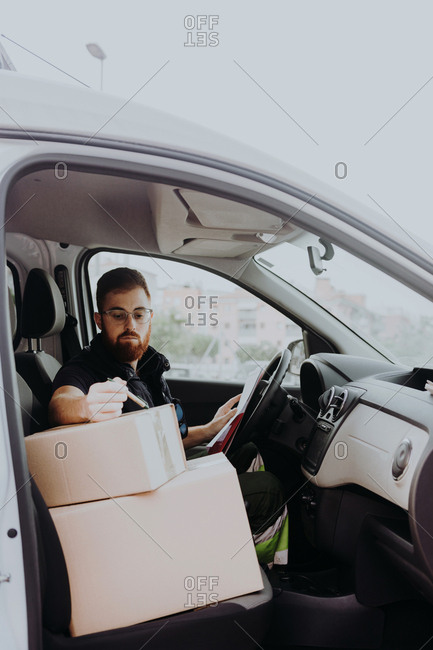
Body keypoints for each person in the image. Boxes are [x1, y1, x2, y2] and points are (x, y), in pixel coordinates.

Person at [49, 267, 288, 567]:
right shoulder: (84, 368)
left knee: (249, 452)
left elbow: (164, 438)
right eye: (117, 314)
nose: (130, 324)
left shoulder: (148, 366)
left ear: (150, 316)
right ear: (99, 319)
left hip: (166, 475)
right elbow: (62, 402)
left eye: (139, 314)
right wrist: (85, 406)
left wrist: (210, 428)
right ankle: (262, 572)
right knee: (267, 488)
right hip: (141, 501)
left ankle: (245, 554)